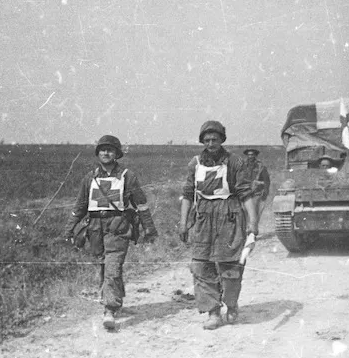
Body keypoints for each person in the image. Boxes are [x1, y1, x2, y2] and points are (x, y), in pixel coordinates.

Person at [63, 135, 158, 330]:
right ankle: (116, 299)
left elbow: (140, 204)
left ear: (117, 154)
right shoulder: (90, 178)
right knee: (104, 266)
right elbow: (80, 205)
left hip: (118, 227)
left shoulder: (127, 176)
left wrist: (149, 228)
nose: (106, 153)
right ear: (98, 153)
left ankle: (109, 309)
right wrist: (69, 228)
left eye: (110, 150)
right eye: (102, 150)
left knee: (113, 266)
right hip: (95, 228)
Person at [179, 121, 258, 330]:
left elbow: (246, 194)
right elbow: (188, 195)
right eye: (207, 140)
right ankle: (213, 312)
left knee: (230, 266)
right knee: (201, 266)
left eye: (215, 139)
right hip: (203, 218)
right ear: (202, 142)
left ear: (222, 139)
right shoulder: (195, 163)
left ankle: (231, 304)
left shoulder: (234, 162)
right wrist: (184, 223)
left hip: (229, 217)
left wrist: (253, 222)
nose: (211, 143)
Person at [242, 148, 271, 232]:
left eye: (252, 155)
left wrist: (261, 184)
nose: (250, 156)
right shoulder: (242, 166)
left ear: (255, 156)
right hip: (244, 192)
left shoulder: (260, 167)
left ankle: (253, 231)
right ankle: (247, 229)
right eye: (249, 155)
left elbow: (267, 181)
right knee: (244, 212)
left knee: (254, 211)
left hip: (256, 192)